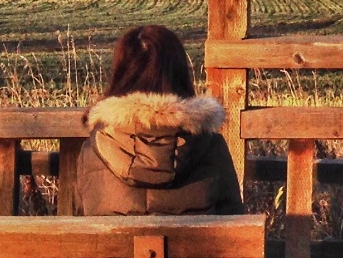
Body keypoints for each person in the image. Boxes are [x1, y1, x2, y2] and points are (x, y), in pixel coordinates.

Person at [69, 24, 244, 215]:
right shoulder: (211, 146)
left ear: (120, 74)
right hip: (193, 246)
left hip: (112, 245)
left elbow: (81, 218)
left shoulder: (95, 149)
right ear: (179, 73)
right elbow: (233, 219)